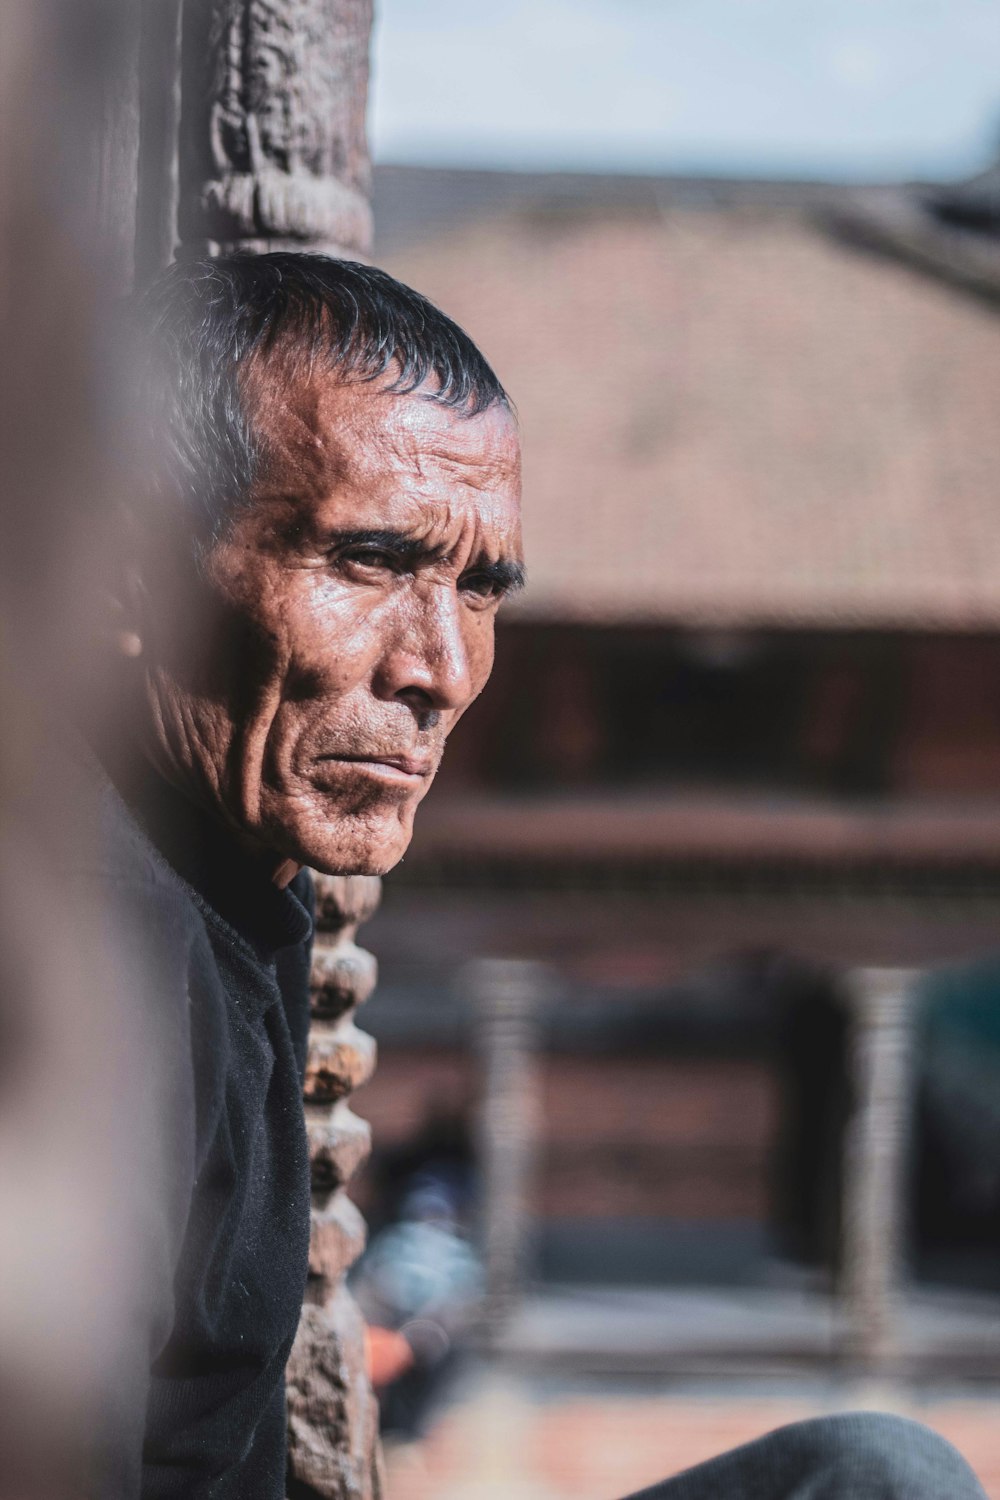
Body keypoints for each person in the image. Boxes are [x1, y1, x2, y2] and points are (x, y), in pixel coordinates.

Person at [81, 253, 985, 1498]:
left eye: (479, 590)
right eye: (366, 562)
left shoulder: (236, 883)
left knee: (869, 1473)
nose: (439, 670)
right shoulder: (82, 962)